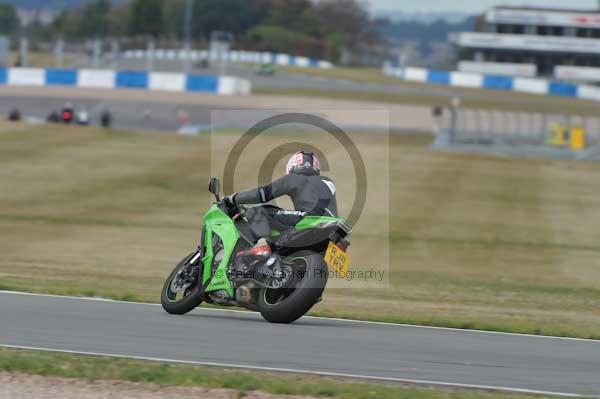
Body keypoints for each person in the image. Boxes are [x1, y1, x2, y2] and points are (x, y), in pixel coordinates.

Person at [224, 151, 337, 247]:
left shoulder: (293, 178)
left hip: (310, 219)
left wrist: (233, 198)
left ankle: (263, 245)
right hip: (334, 226)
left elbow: (263, 194)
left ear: (292, 165)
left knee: (260, 211)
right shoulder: (328, 182)